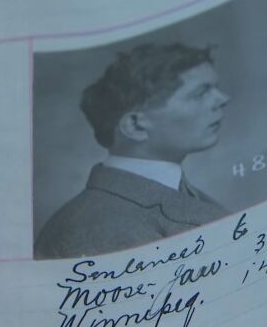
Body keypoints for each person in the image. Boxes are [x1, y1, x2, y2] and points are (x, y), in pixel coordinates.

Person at [34, 43, 230, 259]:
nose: (222, 99)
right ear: (135, 125)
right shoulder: (100, 229)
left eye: (215, 88)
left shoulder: (182, 195)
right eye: (199, 93)